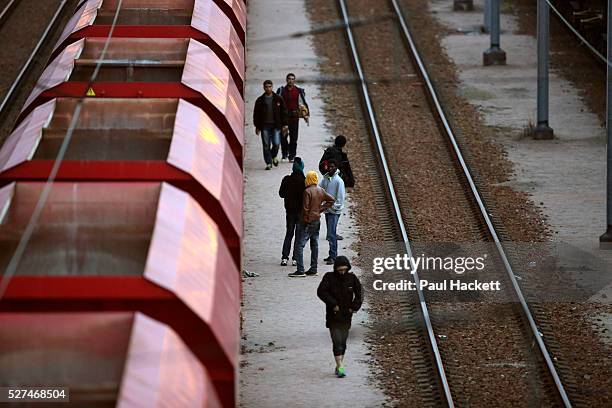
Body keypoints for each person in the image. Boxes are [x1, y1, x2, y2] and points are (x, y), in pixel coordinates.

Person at [317, 256, 362, 378]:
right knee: (337, 341)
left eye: (344, 270)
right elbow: (321, 291)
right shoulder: (329, 278)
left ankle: (339, 365)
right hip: (333, 316)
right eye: (340, 270)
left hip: (346, 316)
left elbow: (359, 294)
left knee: (343, 341)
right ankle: (341, 366)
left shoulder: (352, 278)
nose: (342, 272)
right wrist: (332, 303)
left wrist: (354, 307)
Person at [289, 171, 335, 278]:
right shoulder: (320, 190)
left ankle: (300, 270)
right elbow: (331, 200)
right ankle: (314, 268)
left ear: (308, 179)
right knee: (314, 244)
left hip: (307, 222)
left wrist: (305, 220)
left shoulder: (307, 191)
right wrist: (320, 209)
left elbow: (305, 209)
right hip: (317, 221)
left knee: (299, 246)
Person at [253, 80, 288, 170]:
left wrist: (285, 124)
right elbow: (256, 114)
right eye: (266, 87)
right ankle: (268, 162)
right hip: (265, 126)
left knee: (276, 143)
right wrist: (257, 126)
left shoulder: (278, 99)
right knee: (266, 145)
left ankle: (273, 156)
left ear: (272, 87)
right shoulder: (260, 100)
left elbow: (284, 112)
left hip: (276, 125)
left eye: (270, 86)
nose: (268, 88)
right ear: (264, 88)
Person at [278, 157, 306, 266]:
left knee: (289, 234)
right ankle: (296, 258)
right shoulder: (304, 181)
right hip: (300, 213)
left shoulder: (287, 179)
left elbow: (281, 194)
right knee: (299, 235)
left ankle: (284, 257)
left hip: (289, 212)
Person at [277, 73, 309, 162]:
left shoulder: (298, 91)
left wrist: (305, 115)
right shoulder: (281, 91)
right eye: (289, 79)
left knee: (294, 138)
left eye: (292, 79)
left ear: (294, 81)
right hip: (284, 118)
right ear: (286, 80)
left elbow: (301, 104)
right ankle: (284, 154)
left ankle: (292, 155)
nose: (290, 80)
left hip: (294, 118)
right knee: (283, 137)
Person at [320, 159, 345, 265]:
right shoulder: (325, 178)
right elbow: (320, 189)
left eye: (332, 167)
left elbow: (340, 198)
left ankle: (333, 256)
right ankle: (331, 254)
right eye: (329, 166)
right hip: (327, 210)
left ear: (336, 168)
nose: (330, 168)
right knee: (330, 233)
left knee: (331, 233)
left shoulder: (339, 181)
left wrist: (332, 207)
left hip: (334, 212)